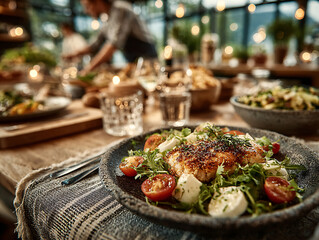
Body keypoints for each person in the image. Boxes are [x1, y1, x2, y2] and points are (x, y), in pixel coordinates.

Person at [65, 0, 157, 75]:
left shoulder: (120, 8)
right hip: (134, 63)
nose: (86, 10)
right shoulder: (107, 18)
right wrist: (75, 54)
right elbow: (95, 45)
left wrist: (88, 69)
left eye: (87, 5)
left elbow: (113, 45)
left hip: (147, 60)